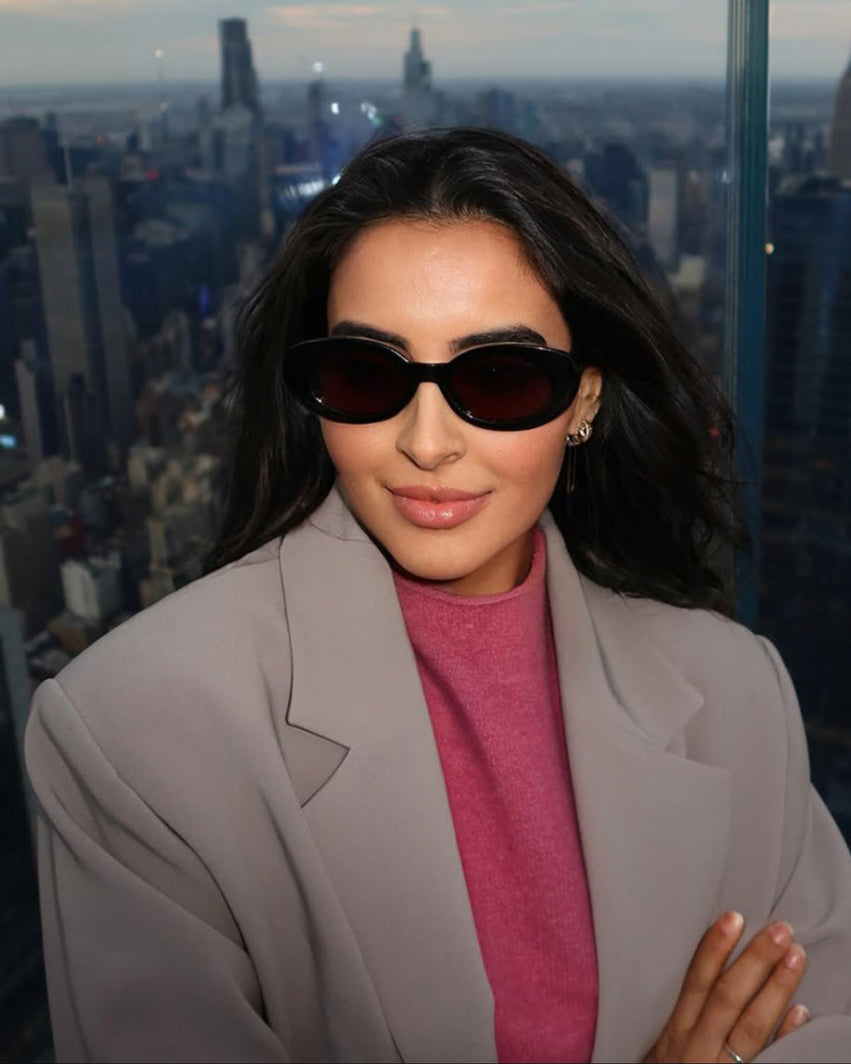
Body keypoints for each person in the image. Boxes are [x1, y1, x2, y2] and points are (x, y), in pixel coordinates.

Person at [25, 128, 851, 1064]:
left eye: (497, 378)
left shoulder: (736, 691)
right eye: (367, 373)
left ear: (583, 400)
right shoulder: (128, 731)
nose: (426, 442)